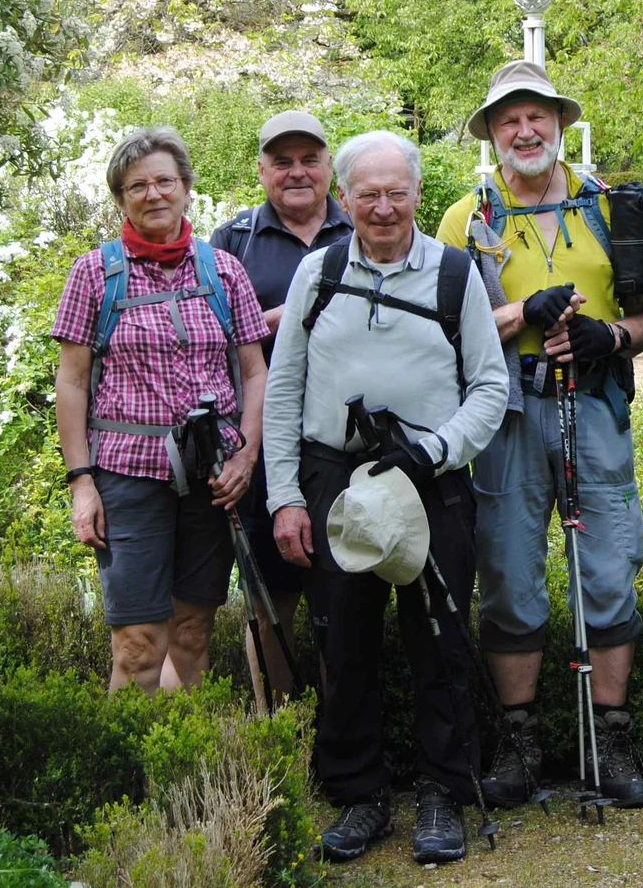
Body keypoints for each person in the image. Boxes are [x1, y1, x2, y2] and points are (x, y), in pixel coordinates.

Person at [262, 130, 509, 866]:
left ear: (416, 195)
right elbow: (284, 389)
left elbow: (491, 387)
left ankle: (442, 792)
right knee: (346, 638)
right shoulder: (319, 271)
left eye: (395, 191)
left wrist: (434, 448)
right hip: (334, 476)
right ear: (344, 197)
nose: (381, 206)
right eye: (365, 192)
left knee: (441, 636)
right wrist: (285, 496)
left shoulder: (455, 273)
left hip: (431, 477)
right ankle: (358, 794)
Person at [435, 60, 643, 810]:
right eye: (509, 120)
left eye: (538, 117)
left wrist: (609, 338)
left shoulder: (608, 208)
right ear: (493, 133)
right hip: (505, 412)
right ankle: (520, 740)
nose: (525, 131)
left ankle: (614, 734)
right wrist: (522, 313)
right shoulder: (468, 218)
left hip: (592, 403)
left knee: (609, 564)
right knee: (507, 571)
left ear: (560, 123)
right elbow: (452, 328)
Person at [51, 127, 270, 693]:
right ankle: (131, 773)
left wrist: (245, 458)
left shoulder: (223, 270)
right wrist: (81, 483)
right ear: (121, 198)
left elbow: (253, 371)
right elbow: (71, 383)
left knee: (194, 631)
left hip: (214, 476)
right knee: (138, 642)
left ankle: (178, 766)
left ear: (186, 188)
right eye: (137, 186)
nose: (153, 195)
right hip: (127, 475)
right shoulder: (94, 272)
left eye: (164, 181)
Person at [204, 109, 354, 696]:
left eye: (309, 159)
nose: (297, 172)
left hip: (348, 440)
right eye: (282, 161)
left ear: (329, 166)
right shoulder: (232, 241)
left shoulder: (362, 227)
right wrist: (272, 323)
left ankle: (339, 730)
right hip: (267, 445)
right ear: (262, 170)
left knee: (345, 589)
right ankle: (280, 726)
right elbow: (209, 344)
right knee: (272, 593)